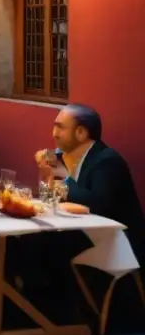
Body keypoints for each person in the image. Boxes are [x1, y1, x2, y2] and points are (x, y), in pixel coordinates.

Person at [36, 104, 145, 260]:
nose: (54, 134)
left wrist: (62, 177)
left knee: (40, 243)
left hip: (118, 244)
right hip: (82, 234)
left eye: (60, 128)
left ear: (81, 132)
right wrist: (47, 175)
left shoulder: (108, 161)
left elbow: (97, 205)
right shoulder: (62, 157)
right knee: (25, 239)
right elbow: (48, 199)